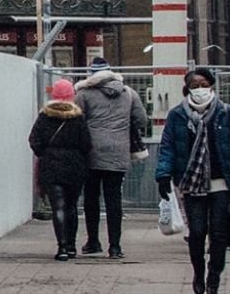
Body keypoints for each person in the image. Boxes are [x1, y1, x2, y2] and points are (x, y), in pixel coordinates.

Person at [155, 66, 230, 294]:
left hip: (221, 181)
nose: (200, 89)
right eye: (195, 85)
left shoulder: (227, 113)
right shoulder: (177, 115)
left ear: (212, 86)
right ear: (187, 89)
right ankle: (198, 272)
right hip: (191, 182)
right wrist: (163, 174)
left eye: (204, 84)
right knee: (198, 231)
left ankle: (214, 283)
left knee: (220, 234)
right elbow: (168, 147)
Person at [73, 66, 149, 257]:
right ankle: (115, 247)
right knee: (114, 200)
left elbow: (75, 120)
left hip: (91, 153)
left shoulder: (84, 94)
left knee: (91, 199)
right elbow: (141, 120)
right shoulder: (129, 93)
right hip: (119, 152)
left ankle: (93, 241)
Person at [29, 79, 95, 260]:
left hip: (51, 166)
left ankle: (62, 248)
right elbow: (87, 144)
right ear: (71, 96)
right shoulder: (78, 117)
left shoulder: (44, 116)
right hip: (74, 166)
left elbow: (33, 140)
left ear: (54, 96)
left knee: (58, 206)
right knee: (71, 206)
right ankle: (73, 246)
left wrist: (46, 153)